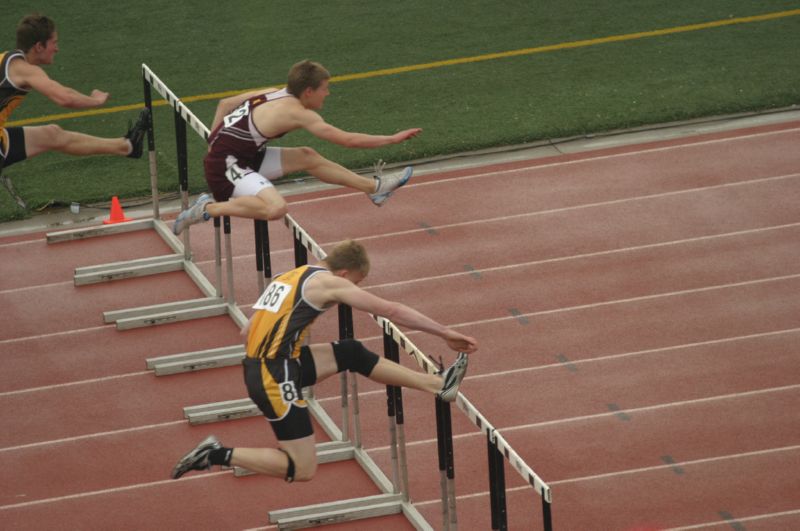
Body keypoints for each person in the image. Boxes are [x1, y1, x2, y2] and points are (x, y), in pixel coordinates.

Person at [172, 239, 477, 483]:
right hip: (275, 376)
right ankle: (214, 454)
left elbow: (247, 328)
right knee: (302, 469)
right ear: (344, 274)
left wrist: (289, 338)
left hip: (274, 364)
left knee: (350, 353)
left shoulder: (288, 276)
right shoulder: (330, 283)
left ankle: (439, 384)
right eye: (355, 284)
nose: (353, 291)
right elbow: (392, 311)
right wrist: (444, 332)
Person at [172, 60, 422, 235]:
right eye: (325, 89)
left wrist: (213, 144)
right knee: (276, 208)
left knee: (307, 156)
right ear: (309, 91)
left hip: (241, 157)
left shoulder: (273, 92)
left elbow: (224, 104)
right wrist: (392, 138)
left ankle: (374, 189)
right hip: (228, 167)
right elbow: (347, 140)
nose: (328, 94)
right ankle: (206, 208)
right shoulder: (298, 113)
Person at [0, 15, 149, 178]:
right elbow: (65, 97)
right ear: (39, 46)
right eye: (54, 43)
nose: (57, 49)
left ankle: (127, 146)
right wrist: (96, 101)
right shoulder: (25, 70)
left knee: (52, 135)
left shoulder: (6, 59)